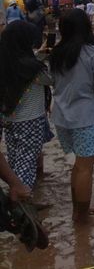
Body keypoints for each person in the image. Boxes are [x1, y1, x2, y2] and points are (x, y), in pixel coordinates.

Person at [49, 9, 94, 226]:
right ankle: (82, 217)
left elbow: (53, 83)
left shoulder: (56, 53)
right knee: (85, 167)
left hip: (62, 116)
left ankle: (79, 210)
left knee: (78, 165)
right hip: (85, 117)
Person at [0, 21, 54, 191]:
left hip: (9, 120)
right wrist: (50, 58)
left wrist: (38, 55)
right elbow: (51, 79)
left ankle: (15, 197)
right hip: (30, 121)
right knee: (27, 164)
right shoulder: (32, 68)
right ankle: (21, 203)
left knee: (15, 159)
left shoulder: (6, 61)